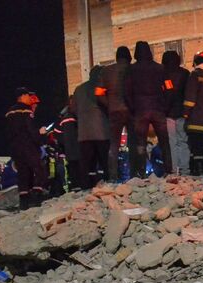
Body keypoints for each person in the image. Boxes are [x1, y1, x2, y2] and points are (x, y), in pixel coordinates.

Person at [125, 41, 173, 177]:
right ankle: (168, 170)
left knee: (140, 142)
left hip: (140, 110)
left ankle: (141, 172)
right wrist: (165, 106)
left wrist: (132, 108)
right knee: (164, 141)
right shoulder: (160, 69)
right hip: (158, 109)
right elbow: (169, 88)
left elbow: (127, 91)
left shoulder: (131, 70)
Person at [96, 46, 135, 181]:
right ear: (129, 57)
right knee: (133, 143)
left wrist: (109, 104)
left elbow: (99, 93)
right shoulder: (132, 69)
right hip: (131, 110)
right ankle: (135, 174)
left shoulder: (107, 71)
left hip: (114, 111)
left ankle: (113, 176)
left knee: (114, 145)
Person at [4, 88, 48, 208]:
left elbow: (8, 131)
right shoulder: (26, 110)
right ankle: (37, 197)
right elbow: (30, 129)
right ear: (23, 96)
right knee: (39, 169)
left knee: (23, 173)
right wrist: (40, 137)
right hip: (28, 145)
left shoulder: (9, 112)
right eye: (28, 96)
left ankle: (24, 202)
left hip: (15, 147)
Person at [74, 66, 111, 189]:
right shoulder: (101, 88)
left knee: (87, 164)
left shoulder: (78, 89)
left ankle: (86, 187)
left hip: (84, 134)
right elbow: (106, 104)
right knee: (104, 162)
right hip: (102, 131)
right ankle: (107, 183)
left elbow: (73, 109)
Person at [161, 50, 190, 175]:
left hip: (167, 113)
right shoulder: (185, 73)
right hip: (182, 113)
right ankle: (185, 169)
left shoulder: (162, 73)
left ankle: (173, 170)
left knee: (171, 142)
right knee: (183, 141)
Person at [53, 96, 82, 191]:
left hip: (70, 150)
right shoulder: (70, 117)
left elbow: (56, 133)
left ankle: (74, 186)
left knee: (73, 168)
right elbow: (57, 133)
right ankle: (75, 186)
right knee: (73, 168)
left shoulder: (66, 116)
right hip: (73, 150)